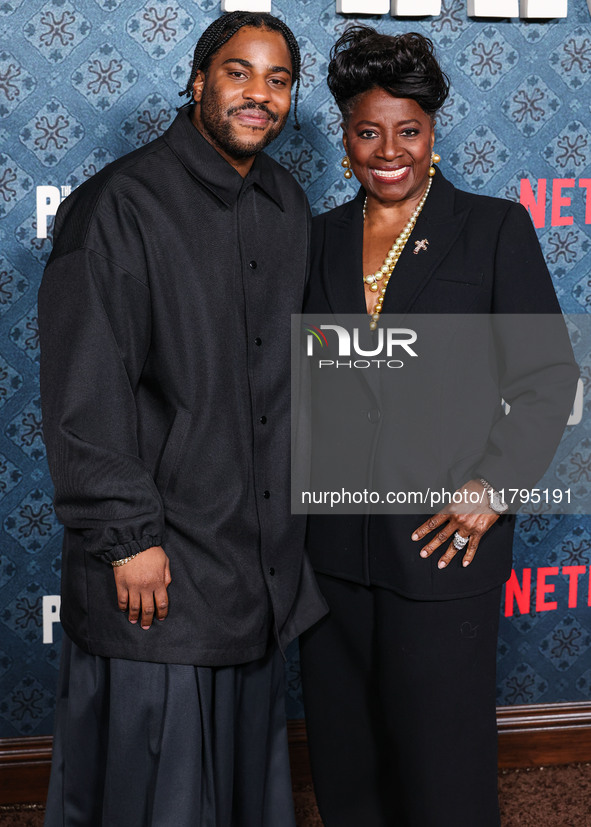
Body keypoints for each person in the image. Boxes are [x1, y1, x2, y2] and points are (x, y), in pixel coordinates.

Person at [39, 11, 326, 827]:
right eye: (239, 73)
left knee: (238, 784)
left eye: (277, 81)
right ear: (198, 79)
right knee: (153, 792)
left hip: (253, 555)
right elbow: (83, 393)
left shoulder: (284, 202)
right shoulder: (116, 206)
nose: (259, 96)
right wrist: (128, 536)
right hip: (156, 560)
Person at [298, 26, 579, 827]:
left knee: (441, 769)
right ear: (345, 135)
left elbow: (547, 377)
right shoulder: (315, 239)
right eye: (366, 130)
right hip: (332, 549)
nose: (388, 150)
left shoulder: (493, 228)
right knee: (347, 765)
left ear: (433, 132)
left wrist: (493, 486)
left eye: (408, 130)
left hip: (441, 543)